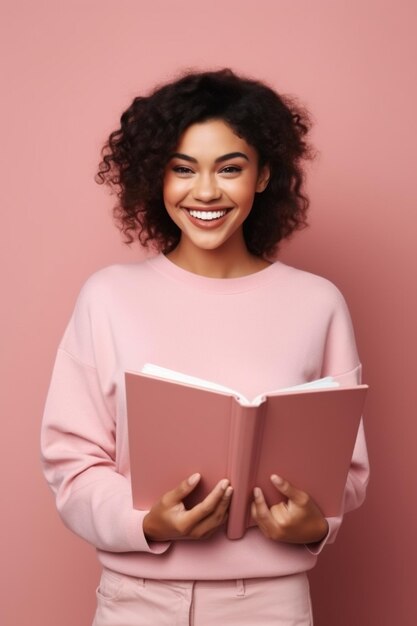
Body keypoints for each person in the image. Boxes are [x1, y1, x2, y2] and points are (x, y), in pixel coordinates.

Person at [41, 68, 369, 625]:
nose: (207, 192)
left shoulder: (319, 303)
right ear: (156, 178)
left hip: (269, 603)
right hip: (136, 601)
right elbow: (71, 462)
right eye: (183, 169)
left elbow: (350, 472)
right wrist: (145, 520)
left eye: (231, 168)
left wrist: (313, 525)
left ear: (264, 175)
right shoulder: (108, 297)